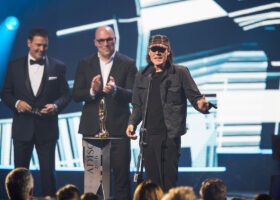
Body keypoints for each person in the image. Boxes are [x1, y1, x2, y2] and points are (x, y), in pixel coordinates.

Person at [126, 34, 213, 191]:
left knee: (168, 183)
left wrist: (202, 105)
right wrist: (132, 123)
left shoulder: (180, 73)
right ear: (149, 52)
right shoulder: (141, 75)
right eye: (154, 49)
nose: (158, 53)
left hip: (169, 137)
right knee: (153, 185)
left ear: (168, 52)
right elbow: (137, 106)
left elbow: (196, 98)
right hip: (148, 138)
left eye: (162, 49)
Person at [1, 27, 71, 198]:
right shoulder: (14, 66)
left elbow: (66, 94)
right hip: (22, 129)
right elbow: (5, 93)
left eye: (45, 46)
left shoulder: (58, 66)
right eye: (38, 45)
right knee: (19, 177)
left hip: (47, 130)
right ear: (29, 43)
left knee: (48, 175)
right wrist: (17, 103)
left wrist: (55, 106)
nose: (41, 49)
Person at [72, 26, 137, 200]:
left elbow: (135, 95)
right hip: (92, 131)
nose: (106, 43)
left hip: (118, 132)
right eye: (101, 40)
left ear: (115, 39)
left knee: (122, 181)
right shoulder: (85, 63)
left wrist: (116, 90)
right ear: (95, 42)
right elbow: (76, 94)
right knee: (93, 183)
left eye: (109, 39)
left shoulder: (128, 63)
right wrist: (91, 91)